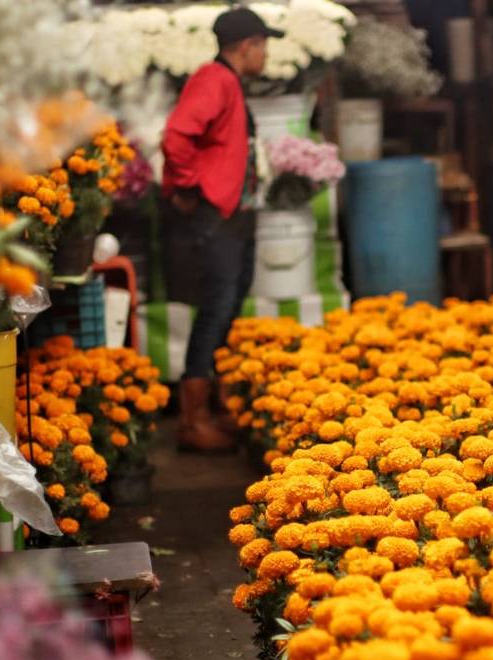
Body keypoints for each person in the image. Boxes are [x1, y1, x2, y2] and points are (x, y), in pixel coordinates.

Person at [161, 7, 283, 452]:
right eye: (264, 45)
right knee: (215, 308)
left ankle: (213, 408)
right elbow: (176, 137)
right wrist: (192, 186)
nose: (266, 54)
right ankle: (192, 421)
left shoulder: (228, 81)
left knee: (227, 304)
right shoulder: (215, 79)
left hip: (234, 213)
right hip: (218, 214)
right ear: (247, 45)